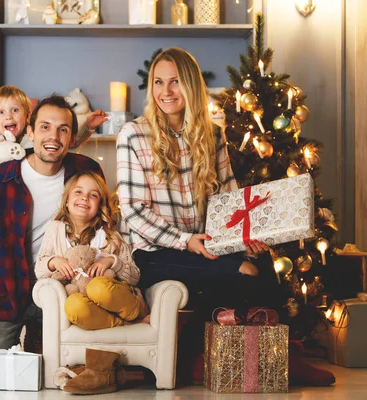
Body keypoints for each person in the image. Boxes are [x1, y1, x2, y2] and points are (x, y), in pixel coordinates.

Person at [116, 47, 335, 387]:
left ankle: (284, 355)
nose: (165, 91)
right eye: (158, 82)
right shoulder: (134, 135)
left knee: (261, 264)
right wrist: (185, 241)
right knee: (242, 271)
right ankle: (195, 355)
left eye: (175, 82)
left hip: (205, 243)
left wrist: (245, 237)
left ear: (190, 85)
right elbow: (132, 210)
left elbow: (227, 195)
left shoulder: (212, 134)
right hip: (155, 254)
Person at [0, 95, 104, 368]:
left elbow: (103, 226)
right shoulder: (0, 179)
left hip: (63, 286)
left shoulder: (85, 172)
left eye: (63, 129)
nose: (54, 136)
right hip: (7, 285)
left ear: (72, 137)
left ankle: (42, 346)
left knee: (73, 364)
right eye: (45, 127)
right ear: (30, 131)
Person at [35, 171, 148, 330]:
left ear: (100, 205)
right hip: (88, 305)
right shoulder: (55, 230)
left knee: (97, 287)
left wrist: (111, 261)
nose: (84, 198)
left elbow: (134, 277)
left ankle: (135, 313)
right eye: (78, 192)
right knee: (73, 305)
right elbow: (39, 270)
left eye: (93, 195)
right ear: (67, 201)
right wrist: (54, 262)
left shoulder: (111, 237)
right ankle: (121, 324)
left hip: (116, 299)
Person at [0, 85, 108, 189]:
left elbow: (68, 141)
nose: (8, 116)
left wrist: (88, 126)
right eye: (1, 112)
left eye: (15, 110)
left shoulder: (32, 138)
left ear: (27, 116)